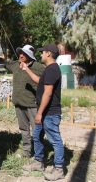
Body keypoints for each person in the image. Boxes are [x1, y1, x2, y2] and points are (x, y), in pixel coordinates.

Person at [21, 43, 65, 181]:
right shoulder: (49, 69)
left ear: (48, 54)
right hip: (45, 112)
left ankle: (59, 169)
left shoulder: (52, 70)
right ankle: (39, 162)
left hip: (49, 113)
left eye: (42, 52)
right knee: (37, 136)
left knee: (55, 141)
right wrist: (26, 69)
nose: (40, 54)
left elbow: (48, 93)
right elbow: (40, 82)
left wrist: (39, 113)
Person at [6, 45, 44, 158]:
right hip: (19, 103)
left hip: (32, 104)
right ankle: (27, 152)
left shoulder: (39, 67)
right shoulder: (15, 64)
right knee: (24, 129)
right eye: (20, 53)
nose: (21, 55)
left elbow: (48, 80)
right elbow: (4, 64)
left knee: (37, 130)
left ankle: (39, 154)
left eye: (24, 54)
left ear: (30, 56)